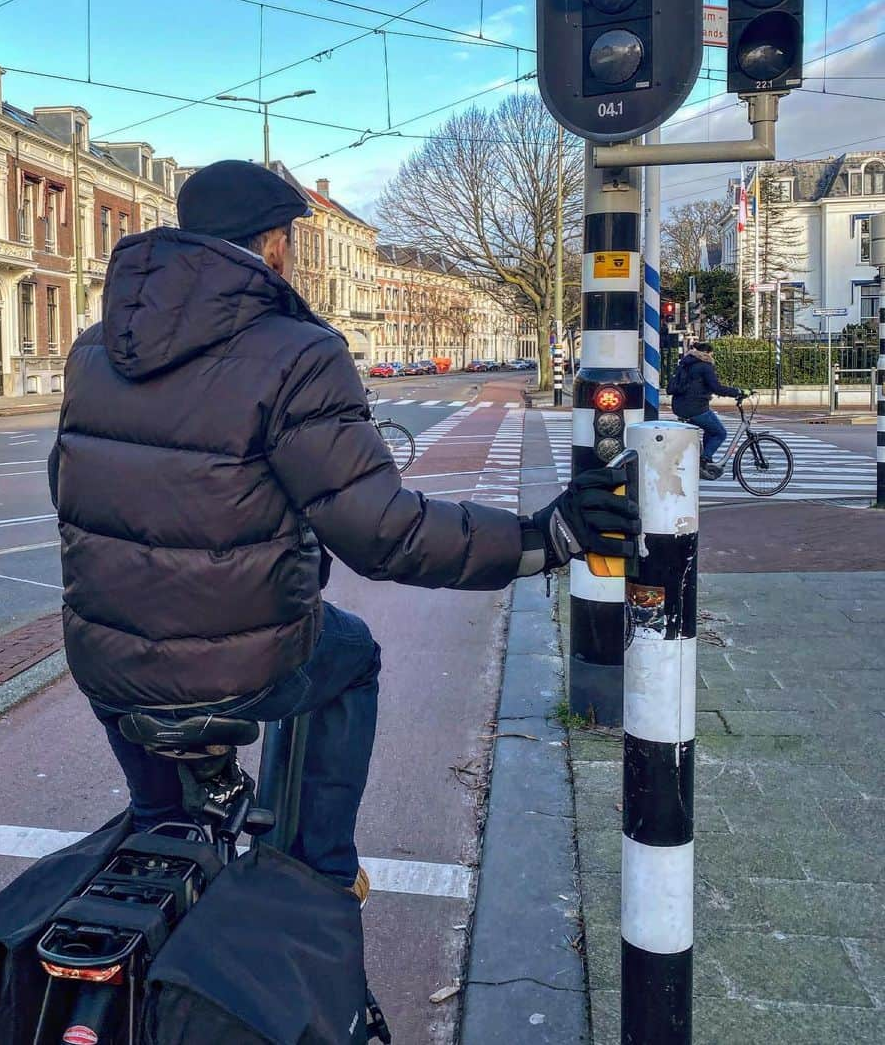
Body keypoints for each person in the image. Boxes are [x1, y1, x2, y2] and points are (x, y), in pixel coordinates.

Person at [49, 160, 638, 901]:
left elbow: (68, 489)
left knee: (157, 822)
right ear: (272, 245)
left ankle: (157, 832)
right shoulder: (298, 350)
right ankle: (318, 869)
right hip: (241, 662)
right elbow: (381, 532)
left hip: (104, 656)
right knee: (349, 655)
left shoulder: (94, 349)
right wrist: (540, 539)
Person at [670, 340, 746, 479]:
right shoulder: (705, 366)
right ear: (707, 353)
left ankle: (705, 460)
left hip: (679, 405)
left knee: (710, 429)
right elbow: (716, 388)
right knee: (720, 433)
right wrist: (738, 392)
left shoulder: (686, 363)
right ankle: (704, 461)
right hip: (695, 408)